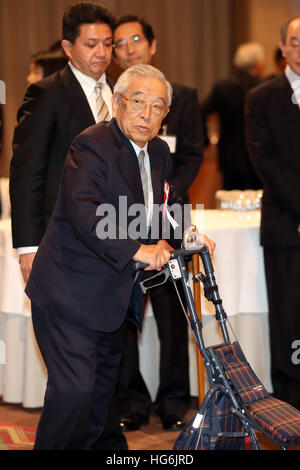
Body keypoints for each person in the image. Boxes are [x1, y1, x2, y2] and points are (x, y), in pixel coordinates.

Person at [24, 63, 215, 449]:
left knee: (99, 400)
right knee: (74, 394)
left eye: (158, 106)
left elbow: (164, 208)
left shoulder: (159, 152)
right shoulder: (92, 144)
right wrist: (138, 250)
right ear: (116, 102)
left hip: (114, 297)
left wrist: (190, 234)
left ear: (166, 115)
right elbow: (85, 211)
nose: (147, 114)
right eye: (138, 101)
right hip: (70, 292)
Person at [112, 15, 204, 432]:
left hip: (170, 212)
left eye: (135, 39)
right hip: (124, 220)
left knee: (173, 313)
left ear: (152, 44)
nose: (128, 47)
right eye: (119, 43)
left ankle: (173, 401)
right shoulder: (116, 101)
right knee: (124, 311)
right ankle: (130, 399)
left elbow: (192, 155)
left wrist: (165, 194)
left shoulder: (184, 96)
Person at [10, 2, 115, 285]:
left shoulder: (122, 93)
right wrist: (29, 247)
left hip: (119, 238)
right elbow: (27, 172)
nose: (102, 53)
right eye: (91, 44)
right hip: (63, 239)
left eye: (108, 43)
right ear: (68, 48)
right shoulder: (47, 94)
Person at [245, 15, 300, 411]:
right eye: (296, 41)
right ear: (282, 47)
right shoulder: (261, 98)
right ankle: (291, 395)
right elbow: (266, 163)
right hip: (286, 223)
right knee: (289, 315)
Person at [201, 42, 265, 190]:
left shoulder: (223, 87)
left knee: (229, 204)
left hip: (229, 157)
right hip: (257, 158)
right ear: (258, 64)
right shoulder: (264, 87)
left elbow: (200, 111)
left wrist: (206, 141)